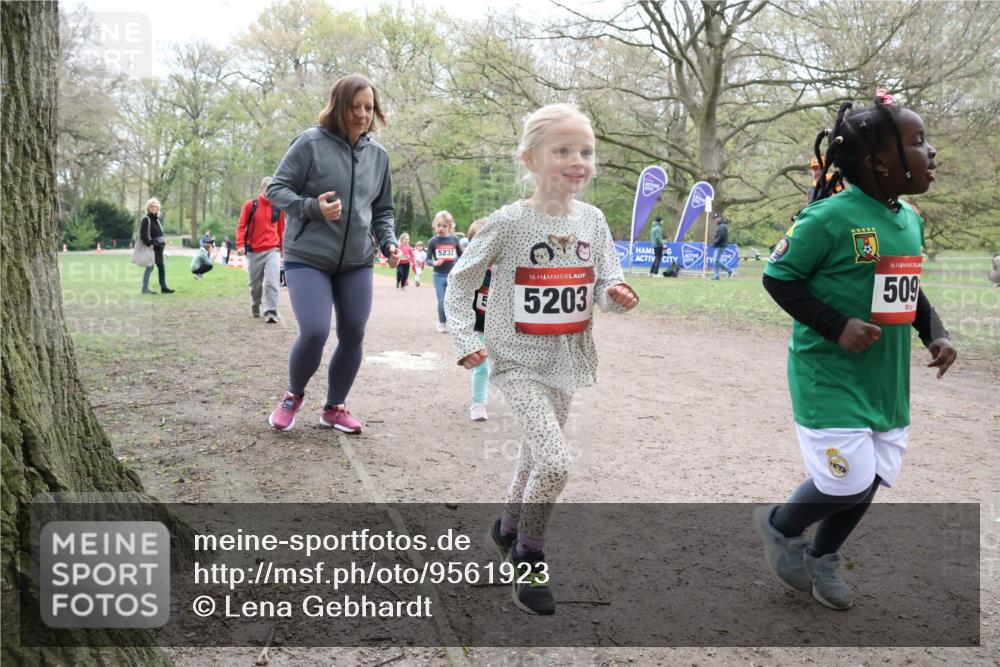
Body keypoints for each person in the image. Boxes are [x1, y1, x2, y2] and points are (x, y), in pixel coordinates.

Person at [756, 91, 957, 610]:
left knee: (870, 477)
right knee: (847, 481)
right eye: (917, 142)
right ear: (877, 162)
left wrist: (934, 331)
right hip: (829, 377)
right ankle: (780, 526)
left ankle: (824, 558)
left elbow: (905, 288)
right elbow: (778, 277)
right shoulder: (827, 218)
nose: (930, 152)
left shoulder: (909, 219)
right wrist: (836, 324)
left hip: (884, 380)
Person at [445, 103, 639, 615]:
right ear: (531, 159)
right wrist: (465, 337)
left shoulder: (593, 222)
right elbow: (462, 281)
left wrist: (615, 295)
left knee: (534, 454)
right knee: (555, 459)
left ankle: (506, 527)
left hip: (567, 359)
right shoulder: (509, 222)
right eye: (564, 151)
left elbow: (604, 284)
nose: (578, 161)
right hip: (517, 360)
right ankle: (529, 555)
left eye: (587, 152)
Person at [265, 73, 400, 433]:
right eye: (354, 107)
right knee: (314, 331)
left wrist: (388, 243)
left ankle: (334, 408)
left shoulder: (378, 156)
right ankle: (293, 395)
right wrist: (312, 207)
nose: (362, 114)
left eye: (368, 108)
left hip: (356, 260)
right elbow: (275, 190)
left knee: (354, 332)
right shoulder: (310, 143)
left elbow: (382, 210)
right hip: (308, 255)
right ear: (338, 107)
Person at [237, 176, 286, 323]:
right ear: (262, 189)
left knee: (272, 282)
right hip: (254, 251)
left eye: (273, 189)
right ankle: (256, 303)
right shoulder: (250, 205)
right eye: (267, 188)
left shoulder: (278, 208)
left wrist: (282, 249)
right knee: (255, 285)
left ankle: (270, 310)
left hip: (273, 250)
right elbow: (241, 226)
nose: (270, 191)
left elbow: (281, 229)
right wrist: (240, 244)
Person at [464, 218, 491, 422]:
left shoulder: (505, 271)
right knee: (481, 365)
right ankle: (478, 404)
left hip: (501, 330)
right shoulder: (468, 271)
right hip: (478, 328)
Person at [427, 210, 462, 332]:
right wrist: (434, 263)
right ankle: (442, 323)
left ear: (450, 226)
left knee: (452, 301)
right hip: (438, 276)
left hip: (452, 276)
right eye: (438, 225)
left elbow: (462, 256)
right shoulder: (432, 241)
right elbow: (427, 260)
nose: (441, 228)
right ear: (434, 225)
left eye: (444, 226)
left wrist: (460, 267)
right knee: (441, 300)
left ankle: (454, 322)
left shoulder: (454, 240)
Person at [138, 198, 174, 294]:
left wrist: (163, 242)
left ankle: (163, 287)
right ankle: (144, 288)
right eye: (152, 206)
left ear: (158, 208)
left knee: (161, 266)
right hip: (152, 248)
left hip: (159, 247)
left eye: (156, 206)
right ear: (148, 207)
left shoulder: (157, 220)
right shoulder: (146, 219)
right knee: (149, 267)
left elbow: (159, 234)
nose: (154, 208)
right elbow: (143, 235)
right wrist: (150, 245)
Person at [710, 212, 734, 280]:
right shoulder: (722, 226)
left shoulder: (722, 226)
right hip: (720, 245)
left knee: (716, 261)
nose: (716, 219)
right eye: (715, 218)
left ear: (720, 218)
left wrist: (715, 242)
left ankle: (729, 271)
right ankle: (717, 276)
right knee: (716, 261)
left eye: (716, 218)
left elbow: (721, 236)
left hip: (720, 245)